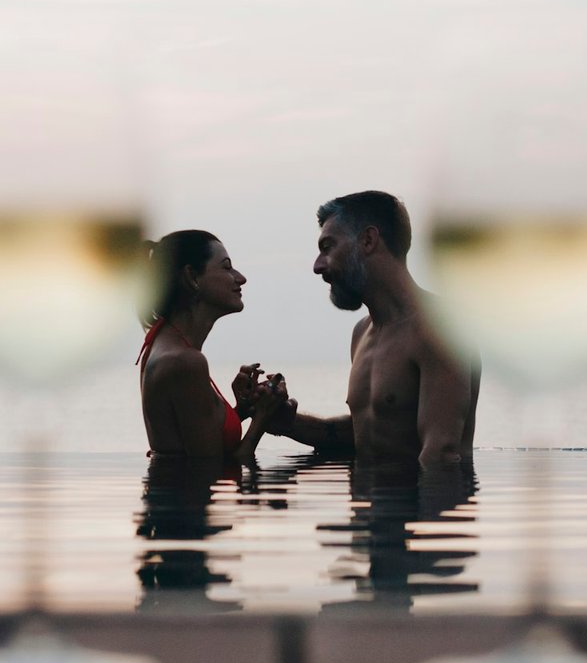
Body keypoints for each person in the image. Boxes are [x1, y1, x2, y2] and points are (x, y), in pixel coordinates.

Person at [270, 191, 479, 467]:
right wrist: (287, 422)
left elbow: (441, 454)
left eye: (328, 247)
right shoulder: (361, 334)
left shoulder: (441, 330)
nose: (317, 266)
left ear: (367, 241)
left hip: (418, 509)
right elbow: (369, 431)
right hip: (368, 508)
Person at [137, 230, 287, 463]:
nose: (240, 278)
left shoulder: (165, 343)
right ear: (192, 278)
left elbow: (191, 446)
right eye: (227, 267)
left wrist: (243, 409)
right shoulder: (184, 361)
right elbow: (211, 470)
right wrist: (263, 417)